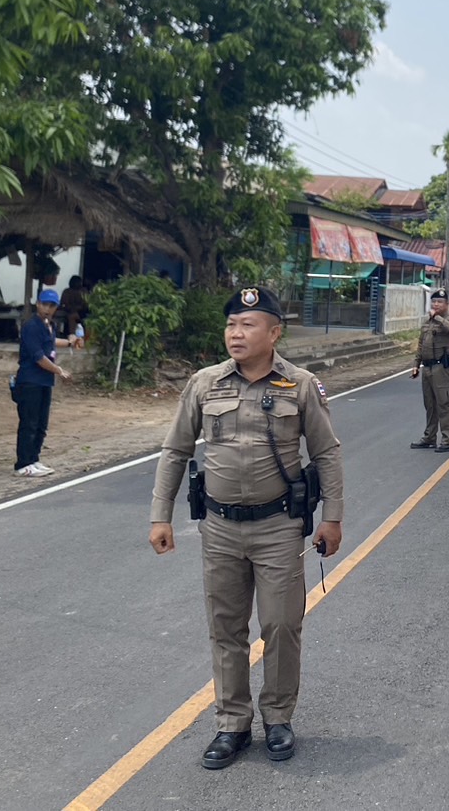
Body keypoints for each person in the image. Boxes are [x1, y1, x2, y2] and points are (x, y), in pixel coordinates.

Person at [148, 286, 343, 770]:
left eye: (248, 325)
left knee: (281, 625)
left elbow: (326, 453)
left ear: (274, 333)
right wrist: (160, 514)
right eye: (231, 324)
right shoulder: (205, 383)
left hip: (279, 525)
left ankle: (278, 717)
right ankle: (232, 723)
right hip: (219, 527)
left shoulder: (300, 385)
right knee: (225, 627)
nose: (236, 333)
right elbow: (175, 450)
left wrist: (332, 517)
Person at [13, 288, 80, 477]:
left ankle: (33, 458)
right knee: (29, 423)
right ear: (38, 304)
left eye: (52, 305)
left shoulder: (48, 325)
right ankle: (23, 463)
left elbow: (50, 342)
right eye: (45, 304)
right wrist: (59, 370)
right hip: (30, 380)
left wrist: (69, 342)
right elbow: (39, 357)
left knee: (41, 424)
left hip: (44, 381)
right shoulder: (31, 326)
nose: (48, 309)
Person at [411, 290, 449, 452]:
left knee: (444, 403)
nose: (436, 304)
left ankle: (447, 439)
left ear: (447, 304)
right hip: (427, 367)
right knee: (430, 404)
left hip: (441, 368)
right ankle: (429, 437)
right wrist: (416, 364)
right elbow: (421, 344)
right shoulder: (427, 322)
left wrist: (437, 317)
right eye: (434, 302)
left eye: (440, 302)